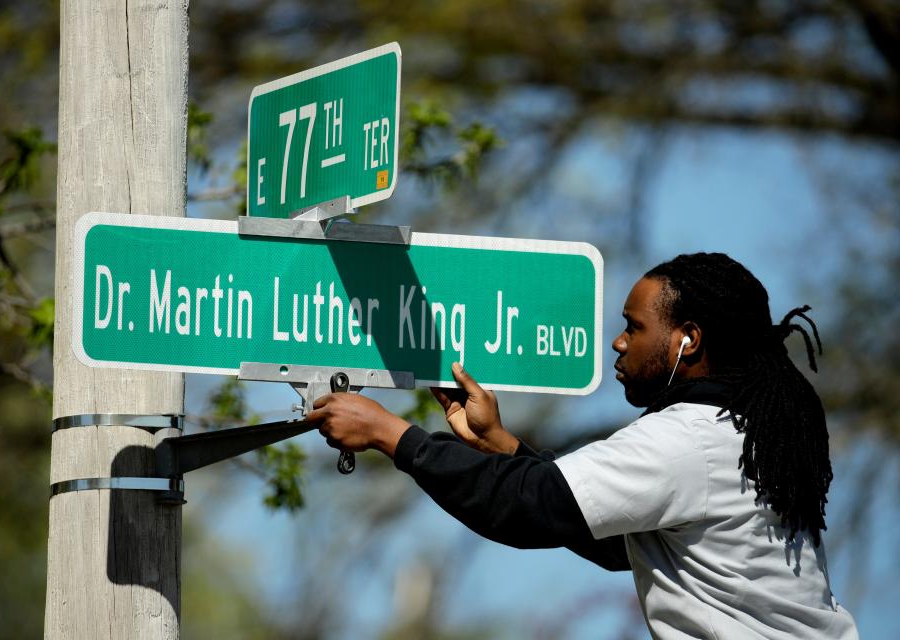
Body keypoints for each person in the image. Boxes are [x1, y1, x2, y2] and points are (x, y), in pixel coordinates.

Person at [307, 252, 859, 639]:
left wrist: (391, 435)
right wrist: (504, 446)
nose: (617, 342)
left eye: (633, 326)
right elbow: (616, 542)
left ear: (687, 338)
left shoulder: (688, 439)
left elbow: (526, 508)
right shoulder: (739, 434)